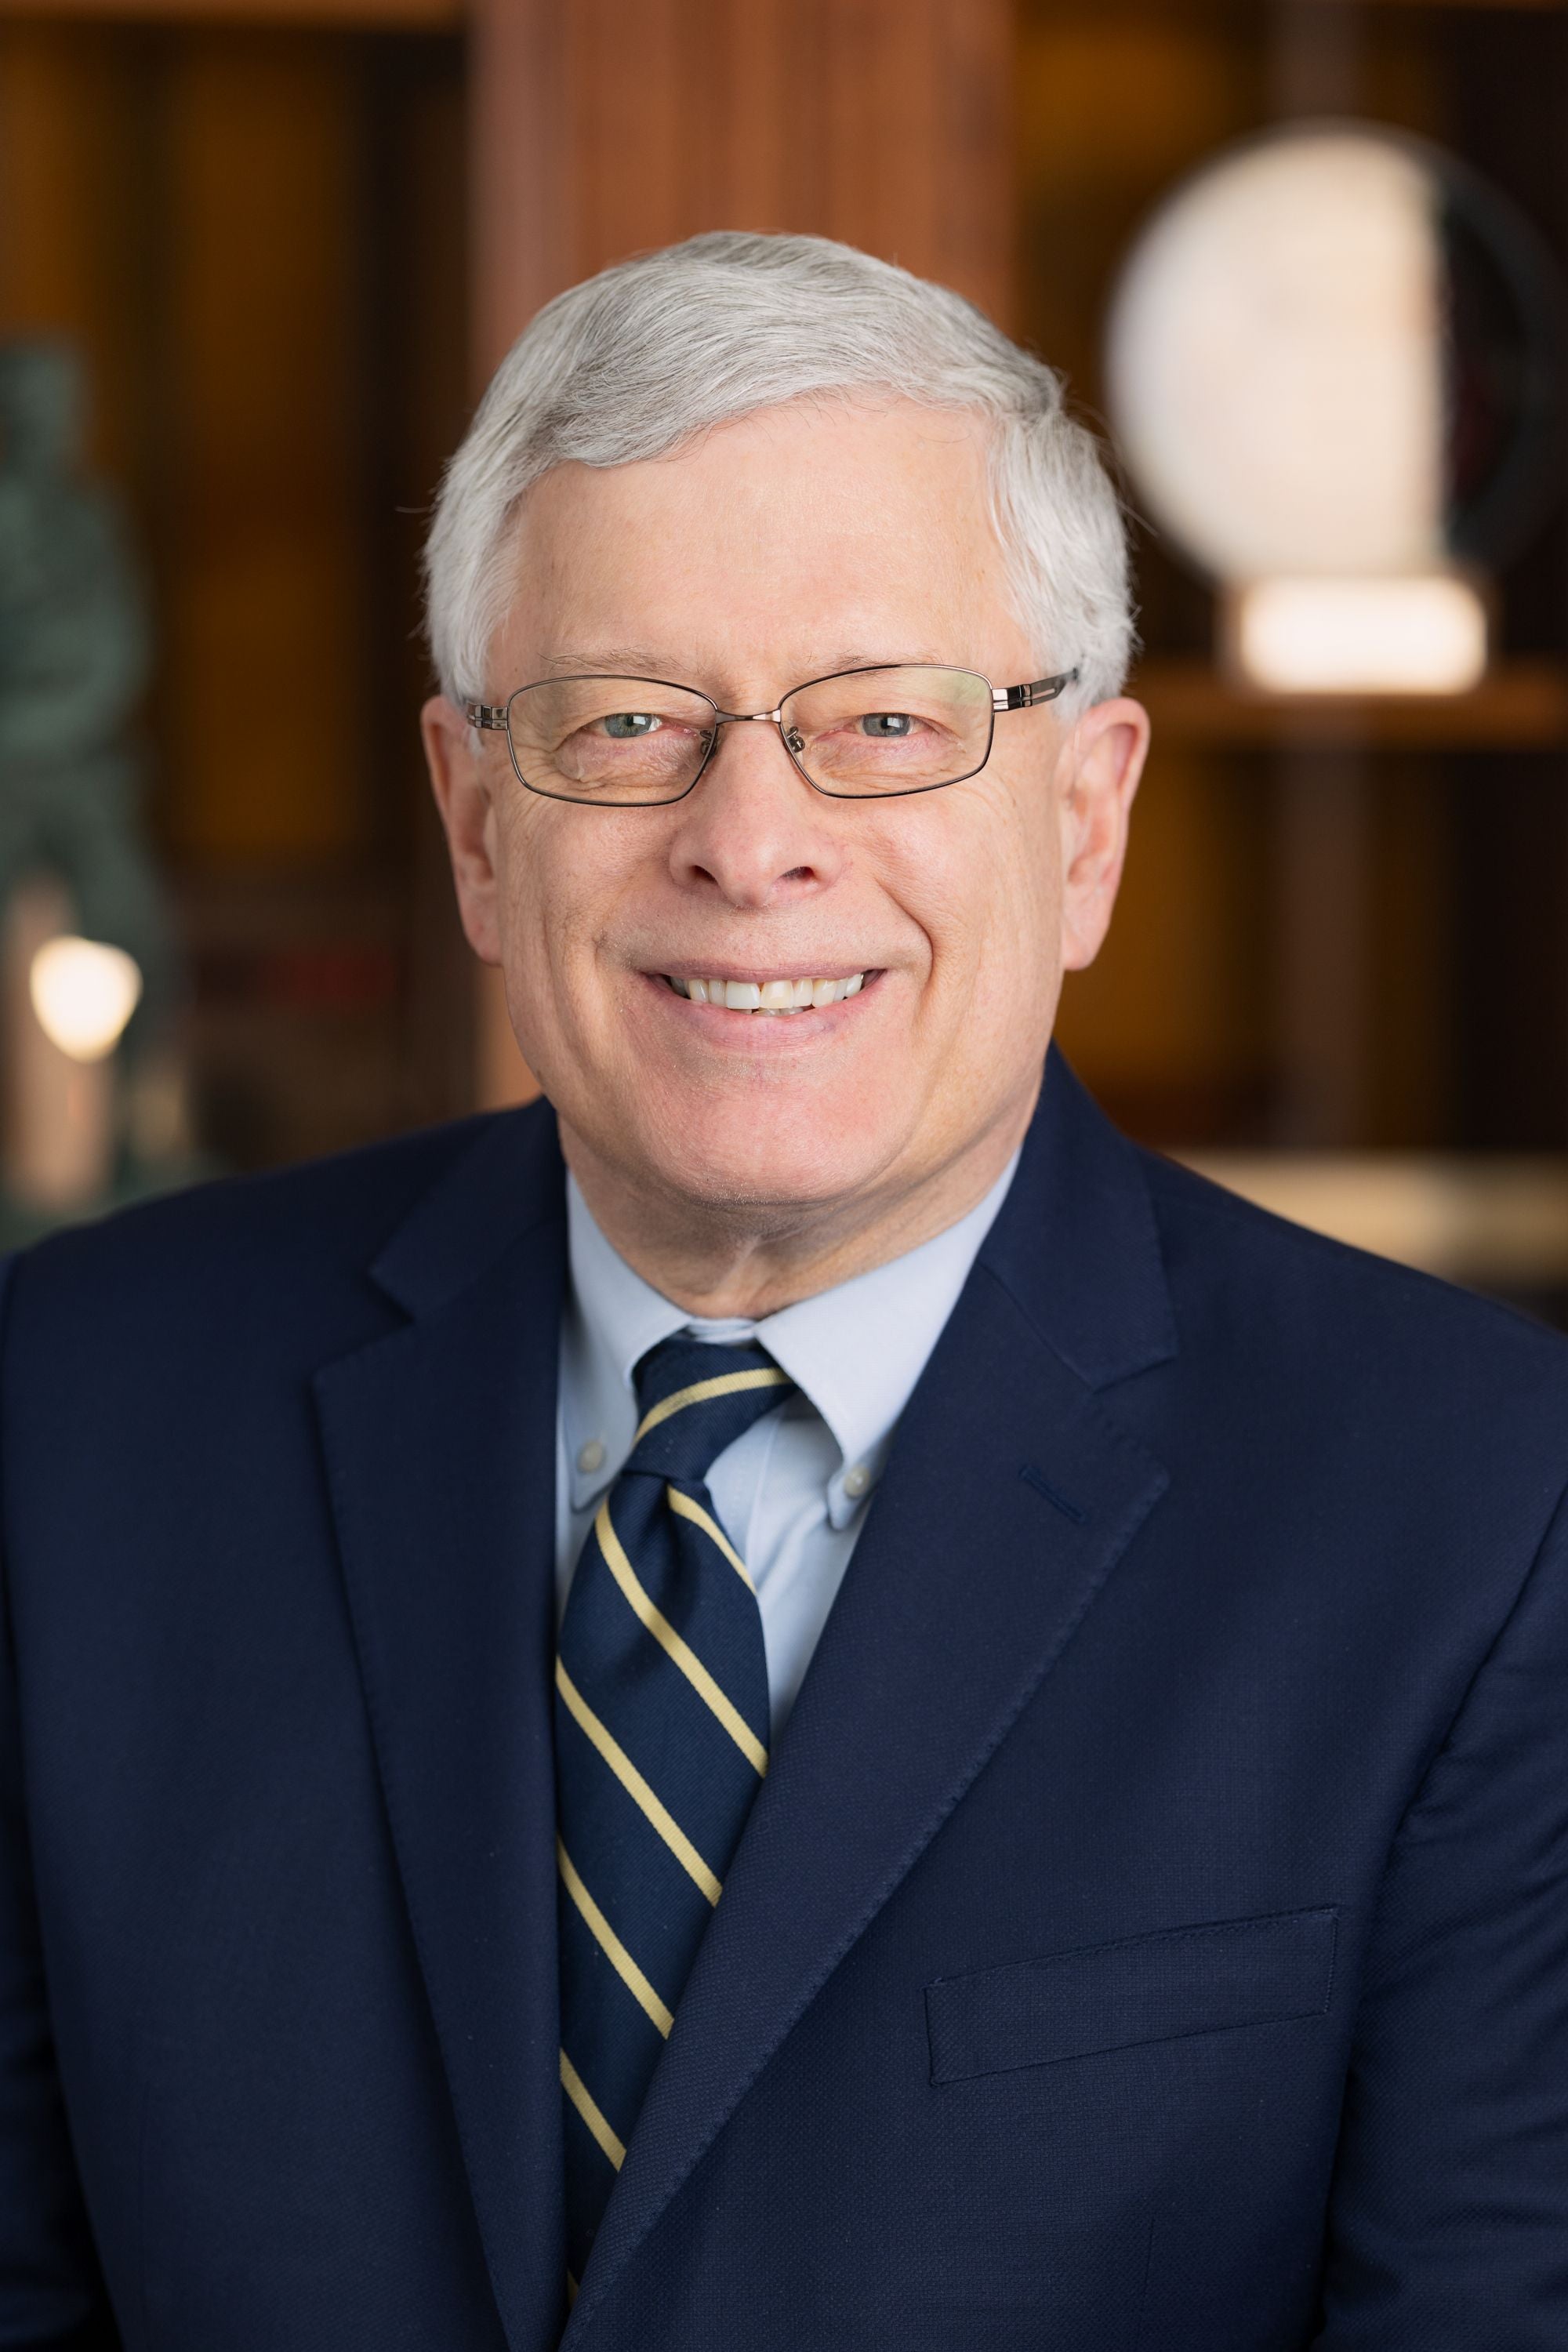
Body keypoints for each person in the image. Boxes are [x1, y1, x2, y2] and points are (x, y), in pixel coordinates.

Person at [2, 232, 1566, 2352]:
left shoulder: (1478, 1518)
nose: (752, 841)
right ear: (476, 822)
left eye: (888, 723)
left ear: (1087, 822)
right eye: (627, 721)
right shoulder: (70, 1417)